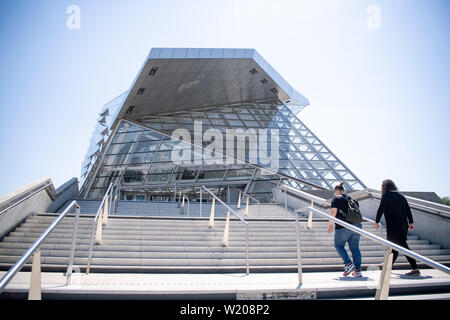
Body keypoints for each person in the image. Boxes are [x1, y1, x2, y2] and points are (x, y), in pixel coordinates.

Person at [375, 179, 420, 276]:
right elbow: (408, 209)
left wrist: (377, 221)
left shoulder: (386, 196)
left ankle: (415, 268)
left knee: (402, 246)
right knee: (394, 248)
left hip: (393, 226)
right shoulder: (401, 196)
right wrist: (411, 222)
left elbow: (381, 209)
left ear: (384, 187)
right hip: (403, 225)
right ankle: (387, 267)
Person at [329, 182, 363, 277]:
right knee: (355, 248)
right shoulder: (354, 201)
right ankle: (358, 270)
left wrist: (330, 224)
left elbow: (333, 212)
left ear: (336, 191)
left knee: (338, 245)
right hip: (357, 226)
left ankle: (348, 263)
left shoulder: (336, 198)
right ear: (344, 191)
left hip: (343, 226)